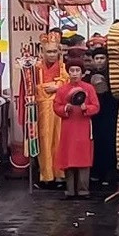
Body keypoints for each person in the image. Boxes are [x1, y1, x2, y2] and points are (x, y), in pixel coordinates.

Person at [53, 59, 100, 199]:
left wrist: (87, 108)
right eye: (72, 70)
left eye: (77, 70)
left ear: (82, 73)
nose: (74, 73)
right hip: (68, 128)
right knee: (68, 159)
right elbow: (56, 106)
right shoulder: (62, 89)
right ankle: (70, 191)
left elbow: (96, 106)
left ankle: (83, 190)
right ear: (68, 72)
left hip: (84, 127)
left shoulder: (89, 88)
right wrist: (64, 108)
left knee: (83, 159)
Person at [35, 33, 68, 187]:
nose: (52, 55)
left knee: (59, 140)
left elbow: (68, 83)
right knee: (44, 141)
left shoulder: (62, 67)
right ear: (42, 52)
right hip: (43, 110)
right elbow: (32, 87)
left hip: (58, 109)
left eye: (54, 51)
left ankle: (60, 174)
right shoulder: (37, 68)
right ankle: (46, 175)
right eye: (49, 52)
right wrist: (45, 87)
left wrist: (58, 87)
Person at [89, 46, 119, 184]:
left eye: (102, 58)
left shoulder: (114, 75)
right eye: (97, 58)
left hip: (111, 114)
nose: (100, 61)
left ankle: (110, 173)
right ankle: (96, 172)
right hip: (95, 116)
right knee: (96, 143)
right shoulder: (89, 76)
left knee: (110, 143)